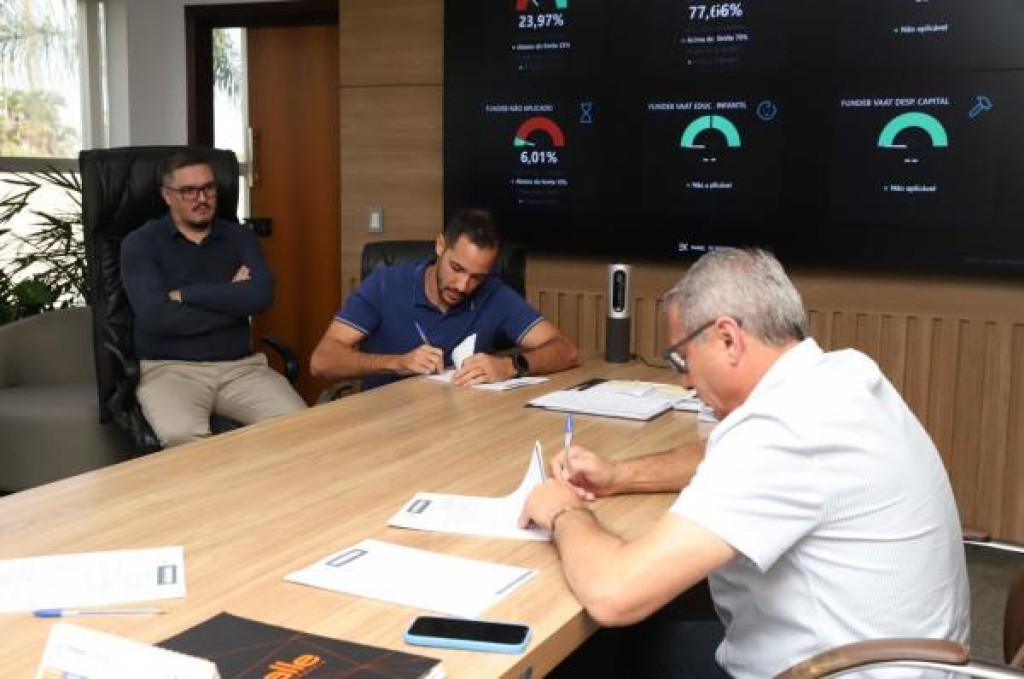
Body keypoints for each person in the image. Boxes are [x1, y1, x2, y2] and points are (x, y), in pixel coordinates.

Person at [519, 248, 969, 678]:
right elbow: (720, 456)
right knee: (633, 642)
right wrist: (620, 475)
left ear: (728, 338)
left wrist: (564, 510)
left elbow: (614, 593)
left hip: (833, 669)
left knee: (592, 653)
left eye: (682, 358)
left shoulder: (782, 429)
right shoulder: (842, 375)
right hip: (894, 658)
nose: (686, 381)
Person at [120, 149, 306, 447]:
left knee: (300, 425)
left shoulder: (240, 237)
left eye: (208, 188)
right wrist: (233, 299)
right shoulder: (141, 244)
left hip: (241, 369)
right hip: (171, 369)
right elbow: (157, 317)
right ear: (168, 195)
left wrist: (188, 294)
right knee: (182, 436)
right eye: (189, 191)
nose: (201, 198)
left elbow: (261, 296)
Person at [310, 208, 579, 389]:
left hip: (460, 427)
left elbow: (566, 351)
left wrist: (510, 366)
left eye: (477, 277)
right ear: (440, 246)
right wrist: (396, 363)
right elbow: (322, 361)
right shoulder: (385, 284)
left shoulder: (494, 293)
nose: (463, 286)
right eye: (457, 268)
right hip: (385, 424)